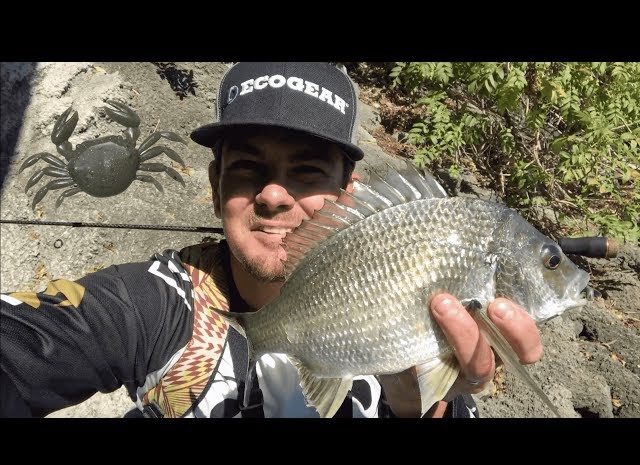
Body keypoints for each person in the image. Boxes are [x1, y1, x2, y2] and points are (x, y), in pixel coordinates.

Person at [0, 62, 542, 418]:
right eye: (248, 170)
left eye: (307, 171)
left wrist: (420, 407)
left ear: (348, 197)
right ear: (216, 189)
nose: (275, 196)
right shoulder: (151, 304)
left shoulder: (426, 337)